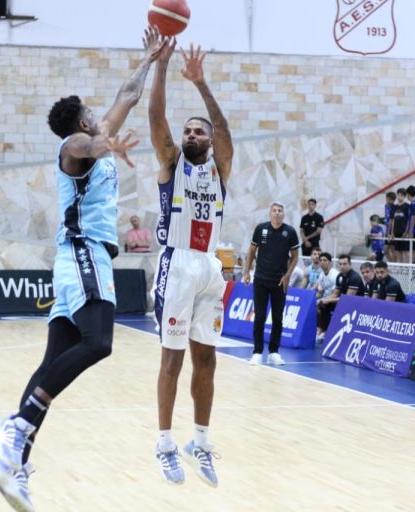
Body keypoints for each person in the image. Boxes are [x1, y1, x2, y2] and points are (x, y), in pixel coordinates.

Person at [0, 29, 166, 511]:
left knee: (53, 363)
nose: (98, 114)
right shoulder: (75, 145)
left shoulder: (97, 135)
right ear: (82, 120)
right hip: (85, 254)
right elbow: (86, 149)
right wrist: (108, 146)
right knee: (99, 342)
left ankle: (13, 462)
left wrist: (149, 57)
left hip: (75, 261)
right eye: (91, 111)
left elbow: (128, 94)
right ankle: (18, 425)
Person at [149, 38, 233, 487]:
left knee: (208, 360)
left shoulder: (220, 168)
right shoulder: (172, 162)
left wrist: (202, 84)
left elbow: (225, 132)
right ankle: (164, 444)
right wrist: (162, 67)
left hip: (209, 267)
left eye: (199, 132)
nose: (192, 135)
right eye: (188, 132)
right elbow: (156, 119)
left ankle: (199, 440)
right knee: (172, 359)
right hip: (177, 264)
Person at [243, 202, 300, 366]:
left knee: (277, 318)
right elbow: (251, 251)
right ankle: (257, 352)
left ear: (283, 214)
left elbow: (295, 257)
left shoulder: (290, 232)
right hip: (260, 279)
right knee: (260, 317)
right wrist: (246, 272)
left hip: (279, 282)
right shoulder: (261, 229)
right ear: (270, 214)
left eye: (279, 211)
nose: (277, 213)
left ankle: (274, 352)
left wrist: (287, 276)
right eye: (274, 211)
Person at [316, 254, 363, 343]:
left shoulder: (354, 277)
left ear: (350, 264)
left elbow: (348, 299)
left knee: (327, 303)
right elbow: (335, 294)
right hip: (344, 302)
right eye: (340, 264)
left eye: (345, 264)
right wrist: (322, 300)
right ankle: (324, 330)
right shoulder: (340, 276)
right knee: (322, 305)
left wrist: (327, 300)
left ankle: (331, 332)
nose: (342, 266)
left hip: (356, 305)